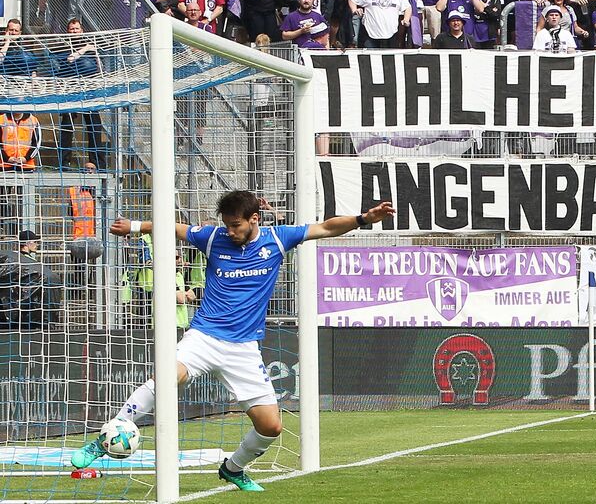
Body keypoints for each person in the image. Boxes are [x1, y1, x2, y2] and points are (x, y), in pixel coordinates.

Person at [71, 191, 396, 491]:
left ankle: (233, 468)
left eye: (235, 225)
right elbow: (175, 227)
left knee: (271, 427)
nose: (229, 231)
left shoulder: (278, 240)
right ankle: (106, 437)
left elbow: (325, 228)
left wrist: (364, 219)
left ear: (254, 218)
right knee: (166, 377)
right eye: (226, 225)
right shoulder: (213, 238)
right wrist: (136, 226)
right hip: (204, 336)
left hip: (242, 348)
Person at [56, 19, 107, 171]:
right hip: (70, 91)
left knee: (94, 125)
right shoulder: (62, 45)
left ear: (82, 30)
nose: (74, 31)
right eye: (71, 29)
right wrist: (85, 49)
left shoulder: (91, 47)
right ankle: (64, 163)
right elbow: (70, 59)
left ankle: (97, 162)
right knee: (67, 126)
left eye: (76, 29)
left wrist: (95, 51)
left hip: (88, 91)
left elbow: (100, 68)